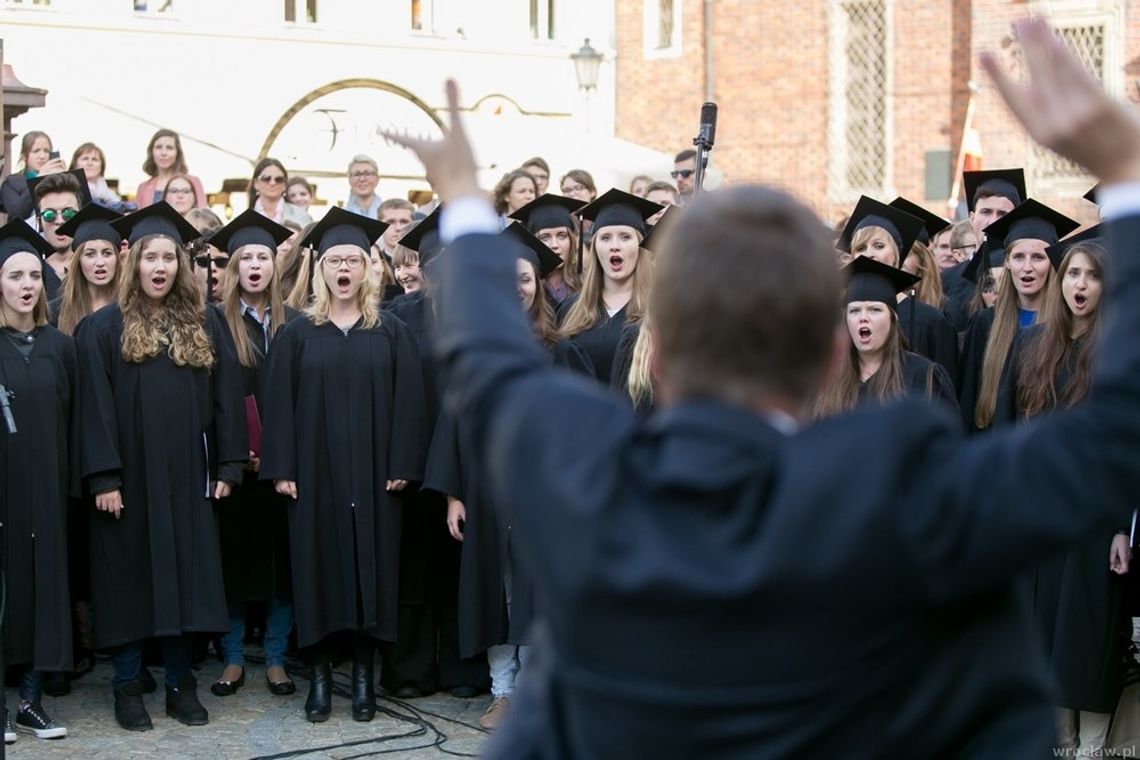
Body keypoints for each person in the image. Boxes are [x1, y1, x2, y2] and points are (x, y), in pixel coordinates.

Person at [387, 21, 1140, 754]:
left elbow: (489, 356)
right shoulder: (910, 489)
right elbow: (1117, 430)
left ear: (663, 352)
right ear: (829, 352)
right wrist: (1127, 171)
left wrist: (462, 197)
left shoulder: (588, 469)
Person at [76, 202, 246, 731]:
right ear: (134, 263)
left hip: (186, 476)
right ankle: (128, 686)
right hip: (129, 477)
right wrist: (103, 476)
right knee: (128, 579)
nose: (159, 267)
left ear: (181, 265)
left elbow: (226, 400)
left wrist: (227, 465)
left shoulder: (205, 322)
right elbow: (93, 408)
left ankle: (180, 685)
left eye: (169, 258)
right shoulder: (103, 329)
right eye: (150, 257)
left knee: (184, 579)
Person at [259, 207, 428, 724]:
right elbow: (277, 405)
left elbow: (411, 403)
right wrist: (282, 467)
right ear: (320, 268)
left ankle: (362, 678)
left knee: (370, 573)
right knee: (317, 571)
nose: (344, 269)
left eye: (353, 259)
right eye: (334, 260)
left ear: (368, 268)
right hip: (314, 477)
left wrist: (402, 460)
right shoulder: (296, 334)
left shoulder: (391, 331)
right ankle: (319, 677)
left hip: (377, 477)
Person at [426, 223, 589, 730]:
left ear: (537, 285)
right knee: (498, 593)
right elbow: (452, 424)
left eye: (524, 278)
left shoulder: (561, 351)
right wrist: (454, 493)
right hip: (487, 491)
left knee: (540, 590)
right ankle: (502, 691)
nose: (514, 287)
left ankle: (537, 692)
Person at [995, 235, 1124, 755]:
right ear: (1060, 279)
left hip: (1096, 517)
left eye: (1093, 277)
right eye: (1073, 274)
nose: (1081, 285)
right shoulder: (1032, 344)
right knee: (1042, 632)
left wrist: (1121, 526)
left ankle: (1093, 748)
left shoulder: (1120, 352)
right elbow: (1010, 432)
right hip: (1041, 512)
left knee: (1085, 636)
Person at [207, 210, 299, 699]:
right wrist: (232, 452)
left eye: (264, 256)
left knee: (281, 564)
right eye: (248, 258)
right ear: (234, 267)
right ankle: (234, 658)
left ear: (274, 265)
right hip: (235, 463)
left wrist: (282, 453)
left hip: (282, 467)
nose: (256, 266)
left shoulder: (295, 322)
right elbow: (211, 397)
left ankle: (278, 658)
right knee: (235, 562)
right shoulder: (217, 323)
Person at [0, 219, 74, 743]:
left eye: (33, 275)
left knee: (45, 591)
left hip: (47, 489)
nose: (27, 285)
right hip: (4, 490)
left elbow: (74, 419)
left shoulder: (59, 346)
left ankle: (31, 701)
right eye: (14, 276)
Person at [958, 199, 1079, 433]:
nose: (1027, 267)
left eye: (1038, 257)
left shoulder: (1067, 327)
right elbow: (968, 401)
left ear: (1053, 263)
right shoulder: (985, 324)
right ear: (1007, 262)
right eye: (1019, 257)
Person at [813, 256, 957, 417]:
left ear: (893, 318)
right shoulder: (828, 379)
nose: (863, 317)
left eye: (875, 309)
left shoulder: (924, 376)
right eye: (854, 310)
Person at [836, 196, 958, 385]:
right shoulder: (839, 318)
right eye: (861, 248)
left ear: (897, 256)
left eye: (879, 246)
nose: (869, 254)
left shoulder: (931, 321)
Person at [557, 188, 661, 385]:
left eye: (625, 237)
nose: (615, 245)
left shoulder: (657, 310)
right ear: (595, 248)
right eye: (605, 238)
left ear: (640, 247)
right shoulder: (571, 309)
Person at [51, 204, 123, 334]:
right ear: (78, 260)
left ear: (117, 259)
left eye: (107, 253)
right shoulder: (56, 311)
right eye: (90, 254)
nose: (100, 262)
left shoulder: (130, 306)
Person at [508, 194, 584, 307]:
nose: (554, 245)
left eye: (562, 236)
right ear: (533, 241)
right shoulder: (525, 287)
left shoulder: (587, 283)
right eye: (545, 237)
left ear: (571, 241)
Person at [0, 131, 67, 222]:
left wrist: (66, 178)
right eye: (36, 151)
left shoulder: (57, 180)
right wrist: (39, 179)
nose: (42, 156)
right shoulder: (11, 182)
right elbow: (17, 213)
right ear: (24, 156)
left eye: (46, 151)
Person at [134, 129, 206, 209]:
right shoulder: (143, 188)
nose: (163, 153)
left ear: (177, 153)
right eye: (158, 147)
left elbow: (203, 217)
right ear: (151, 151)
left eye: (169, 148)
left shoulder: (193, 182)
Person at [69, 142, 131, 212]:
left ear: (101, 167)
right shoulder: (66, 187)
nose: (90, 163)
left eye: (94, 159)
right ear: (75, 164)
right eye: (85, 159)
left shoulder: (105, 190)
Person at [249, 158, 311, 227]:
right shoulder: (245, 220)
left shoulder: (301, 215)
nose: (272, 183)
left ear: (285, 184)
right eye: (266, 178)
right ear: (256, 183)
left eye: (279, 179)